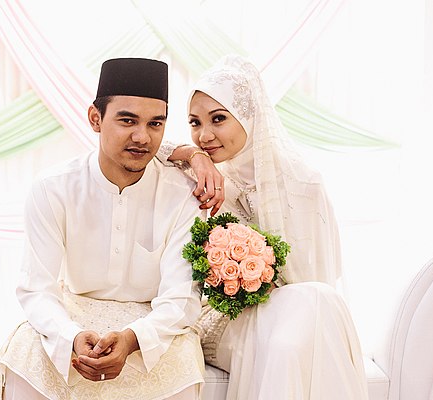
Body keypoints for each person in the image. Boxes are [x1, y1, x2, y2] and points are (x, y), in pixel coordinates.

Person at [0, 58, 207, 400]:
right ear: (96, 119)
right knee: (26, 355)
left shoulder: (184, 195)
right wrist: (71, 336)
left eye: (155, 123)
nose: (142, 137)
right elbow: (36, 288)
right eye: (127, 120)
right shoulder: (53, 188)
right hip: (72, 313)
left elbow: (181, 297)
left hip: (151, 323)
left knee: (180, 365)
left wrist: (133, 339)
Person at [158, 55, 369, 399]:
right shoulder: (202, 177)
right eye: (195, 122)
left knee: (312, 306)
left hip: (294, 317)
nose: (204, 135)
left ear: (250, 116)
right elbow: (146, 152)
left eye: (218, 119)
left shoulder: (303, 184)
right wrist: (192, 156)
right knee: (304, 319)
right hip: (222, 320)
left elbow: (320, 277)